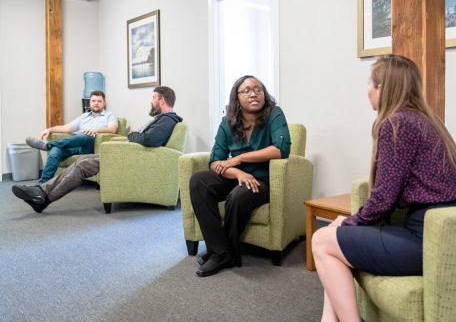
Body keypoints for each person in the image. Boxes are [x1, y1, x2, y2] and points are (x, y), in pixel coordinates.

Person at [312, 55, 456, 321]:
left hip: (425, 239)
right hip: (441, 236)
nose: (367, 90)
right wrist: (351, 223)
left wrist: (352, 220)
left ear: (382, 88)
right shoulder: (424, 120)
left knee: (321, 239)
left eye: (370, 83)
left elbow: (384, 197)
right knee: (334, 240)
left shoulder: (396, 124)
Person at [12, 86, 183, 214]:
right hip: (129, 155)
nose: (151, 101)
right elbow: (145, 139)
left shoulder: (167, 119)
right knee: (81, 161)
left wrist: (133, 135)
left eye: (153, 97)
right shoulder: (161, 119)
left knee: (83, 164)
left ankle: (43, 196)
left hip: (132, 158)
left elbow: (149, 140)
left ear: (162, 101)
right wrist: (134, 135)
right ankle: (42, 194)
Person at [189, 75, 291, 277]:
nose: (254, 93)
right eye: (247, 90)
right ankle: (222, 251)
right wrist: (238, 172)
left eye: (258, 89)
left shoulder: (274, 114)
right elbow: (215, 160)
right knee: (198, 181)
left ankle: (218, 252)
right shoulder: (227, 122)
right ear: (236, 97)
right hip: (235, 177)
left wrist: (240, 158)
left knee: (238, 196)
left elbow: (281, 149)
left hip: (261, 181)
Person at [25, 91, 118, 184]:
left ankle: (48, 145)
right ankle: (42, 185)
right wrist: (50, 129)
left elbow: (112, 129)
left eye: (99, 101)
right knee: (56, 150)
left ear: (104, 103)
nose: (96, 103)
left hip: (91, 145)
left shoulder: (109, 115)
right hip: (76, 146)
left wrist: (96, 129)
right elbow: (67, 127)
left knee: (85, 135)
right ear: (90, 102)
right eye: (93, 101)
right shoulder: (84, 116)